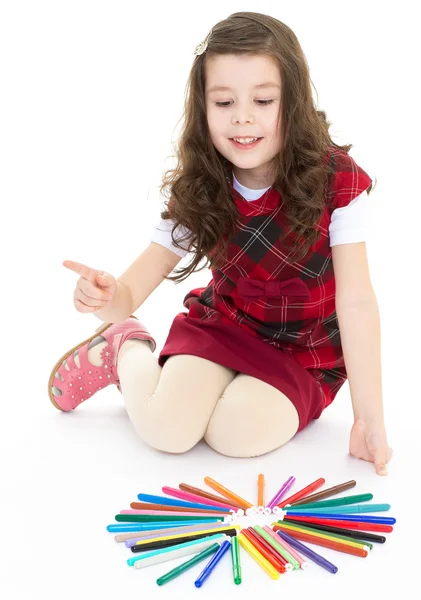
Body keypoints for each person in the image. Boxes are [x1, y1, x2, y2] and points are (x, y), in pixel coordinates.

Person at [48, 11, 393, 475]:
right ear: (203, 108)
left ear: (292, 103)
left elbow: (356, 303)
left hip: (303, 352)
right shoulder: (203, 189)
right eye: (224, 102)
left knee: (234, 436)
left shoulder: (339, 184)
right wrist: (106, 300)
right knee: (167, 431)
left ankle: (206, 384)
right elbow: (130, 292)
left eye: (264, 100)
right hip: (225, 327)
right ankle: (125, 347)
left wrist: (369, 418)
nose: (243, 117)